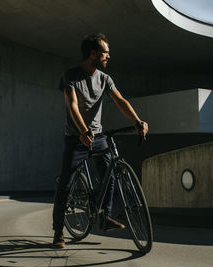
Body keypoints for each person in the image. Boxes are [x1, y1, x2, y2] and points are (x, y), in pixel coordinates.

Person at [52, 33, 149, 248]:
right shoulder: (71, 76)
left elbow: (120, 100)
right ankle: (58, 231)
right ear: (93, 54)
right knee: (65, 186)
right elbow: (73, 105)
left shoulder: (105, 78)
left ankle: (104, 216)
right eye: (105, 52)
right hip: (76, 138)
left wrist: (137, 120)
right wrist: (84, 131)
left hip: (98, 137)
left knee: (111, 172)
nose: (108, 56)